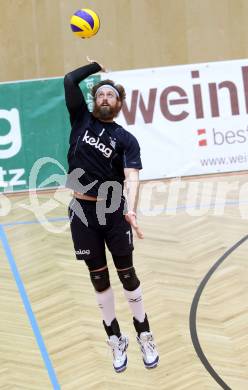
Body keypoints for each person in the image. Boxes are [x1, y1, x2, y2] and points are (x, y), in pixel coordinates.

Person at [64, 57, 159, 373]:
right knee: (98, 278)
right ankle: (115, 338)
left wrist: (131, 208)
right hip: (82, 210)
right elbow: (68, 80)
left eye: (111, 96)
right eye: (101, 94)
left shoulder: (126, 139)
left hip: (113, 210)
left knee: (127, 274)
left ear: (118, 105)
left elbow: (132, 176)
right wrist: (95, 69)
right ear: (94, 101)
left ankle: (144, 332)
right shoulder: (80, 120)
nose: (105, 98)